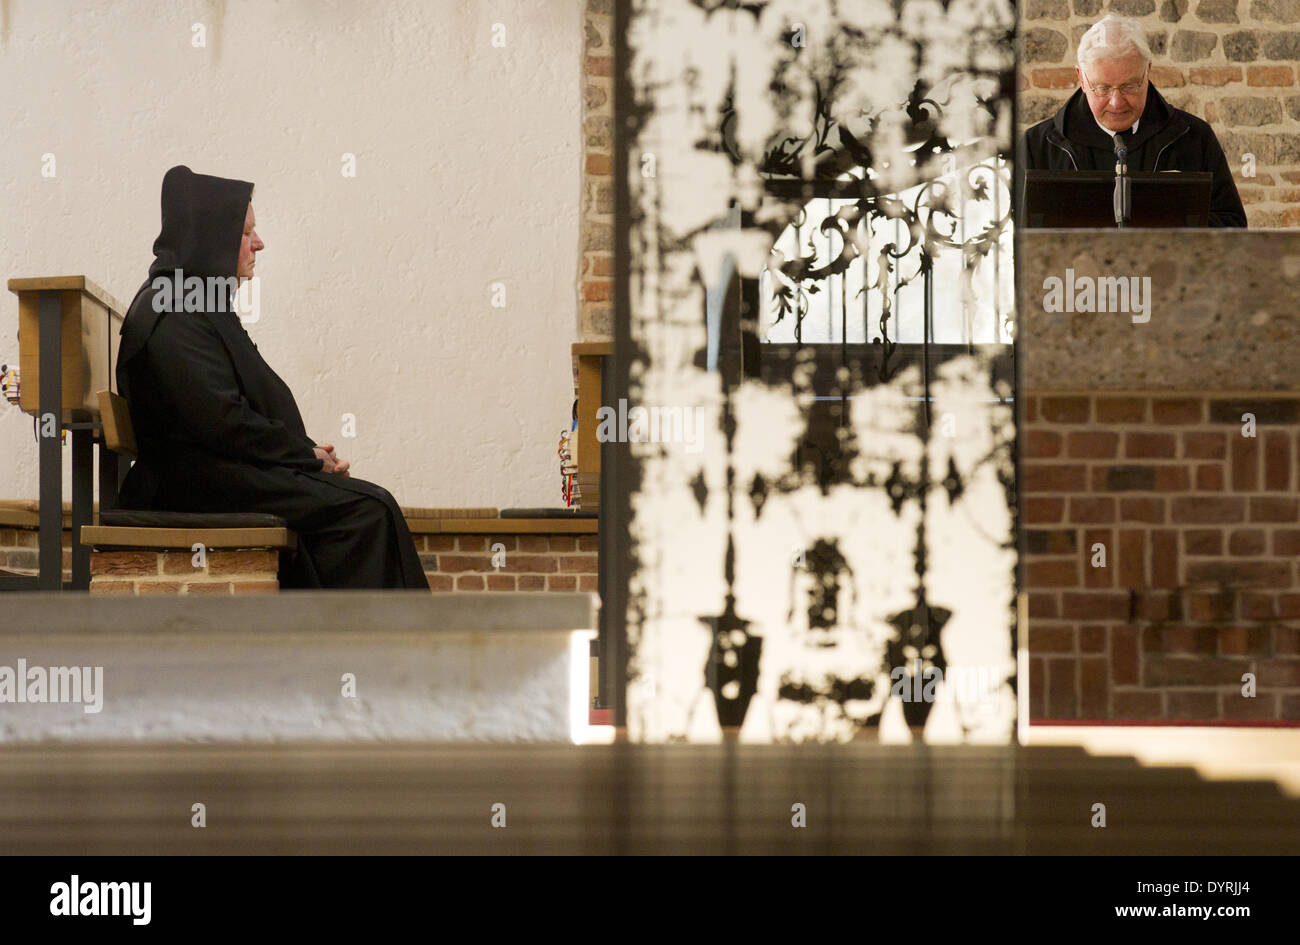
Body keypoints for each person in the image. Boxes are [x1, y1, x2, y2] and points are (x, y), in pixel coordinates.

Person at [114, 165, 429, 589]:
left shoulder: (191, 303)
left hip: (216, 475)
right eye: (246, 233)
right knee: (368, 510)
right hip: (193, 485)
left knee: (363, 502)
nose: (259, 244)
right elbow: (222, 422)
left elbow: (231, 417)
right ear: (213, 236)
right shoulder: (173, 312)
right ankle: (372, 650)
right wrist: (305, 457)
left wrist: (306, 453)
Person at [1021, 14, 1247, 228]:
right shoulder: (1038, 146)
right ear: (1081, 77)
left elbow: (1232, 226)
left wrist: (1169, 228)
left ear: (1147, 71)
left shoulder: (1194, 137)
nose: (1116, 102)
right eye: (1103, 88)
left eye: (1130, 86)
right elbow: (1016, 243)